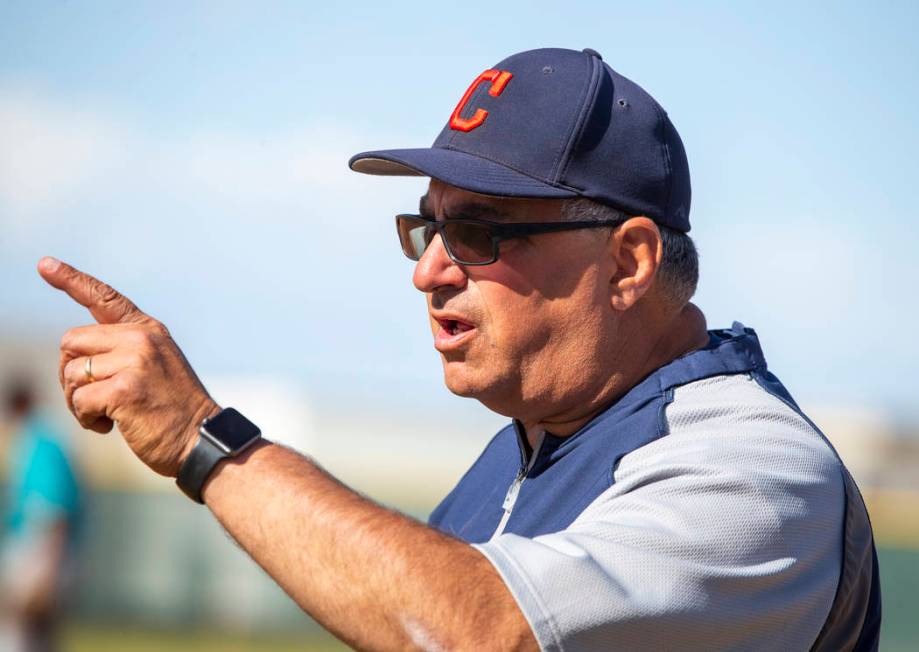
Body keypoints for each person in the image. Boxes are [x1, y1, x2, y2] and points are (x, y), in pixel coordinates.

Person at [36, 47, 880, 650]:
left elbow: (479, 632)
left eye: (478, 230)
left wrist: (203, 440)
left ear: (627, 261)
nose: (430, 271)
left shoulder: (752, 465)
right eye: (426, 227)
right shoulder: (525, 449)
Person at [1, 377, 82, 652]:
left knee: (21, 637)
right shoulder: (40, 442)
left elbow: (53, 514)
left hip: (40, 556)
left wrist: (46, 574)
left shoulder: (40, 444)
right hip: (43, 554)